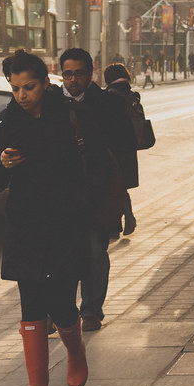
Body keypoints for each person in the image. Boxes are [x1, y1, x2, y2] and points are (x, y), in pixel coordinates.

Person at [0, 50, 91, 386]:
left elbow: (91, 167)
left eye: (28, 86)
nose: (21, 95)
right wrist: (2, 164)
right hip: (26, 225)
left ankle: (76, 353)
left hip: (66, 223)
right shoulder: (7, 122)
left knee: (61, 301)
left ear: (46, 82)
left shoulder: (69, 114)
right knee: (31, 306)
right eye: (14, 88)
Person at [60, 48, 137, 332]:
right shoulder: (52, 105)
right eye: (68, 74)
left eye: (79, 73)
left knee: (95, 252)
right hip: (63, 195)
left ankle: (91, 310)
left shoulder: (107, 104)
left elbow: (126, 145)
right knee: (64, 255)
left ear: (91, 72)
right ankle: (63, 311)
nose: (73, 80)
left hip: (98, 192)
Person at [103, 64, 141, 238]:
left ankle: (118, 224)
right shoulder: (131, 94)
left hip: (113, 147)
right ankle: (126, 218)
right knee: (121, 184)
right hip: (129, 147)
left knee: (112, 186)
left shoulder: (109, 96)